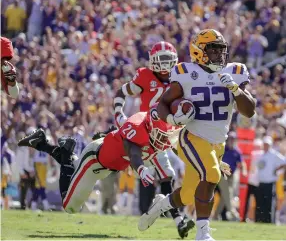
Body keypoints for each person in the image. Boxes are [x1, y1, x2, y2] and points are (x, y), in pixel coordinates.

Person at [138, 29, 256, 241]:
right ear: (199, 51)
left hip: (217, 143)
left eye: (221, 50)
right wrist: (172, 120)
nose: (219, 55)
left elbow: (249, 111)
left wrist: (236, 90)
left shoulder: (235, 71)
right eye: (213, 50)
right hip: (191, 136)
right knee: (211, 176)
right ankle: (203, 233)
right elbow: (163, 103)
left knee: (188, 194)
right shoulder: (185, 71)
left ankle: (159, 206)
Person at [17, 104, 181, 215]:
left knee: (75, 168)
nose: (164, 140)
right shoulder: (138, 128)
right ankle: (66, 154)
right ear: (151, 128)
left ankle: (41, 143)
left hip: (106, 166)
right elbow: (134, 153)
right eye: (161, 135)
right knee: (70, 207)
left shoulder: (154, 132)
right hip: (94, 161)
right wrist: (141, 169)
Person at [114, 41, 194, 238]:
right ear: (153, 61)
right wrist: (119, 115)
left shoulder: (179, 78)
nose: (166, 64)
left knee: (170, 175)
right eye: (162, 59)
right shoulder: (144, 75)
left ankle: (167, 213)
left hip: (168, 133)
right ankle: (177, 220)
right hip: (147, 132)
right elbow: (122, 92)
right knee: (167, 175)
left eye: (169, 59)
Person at [255, 136, 286, 223]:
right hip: (261, 182)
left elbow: (284, 162)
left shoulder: (273, 154)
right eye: (264, 144)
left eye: (267, 144)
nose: (265, 146)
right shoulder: (261, 154)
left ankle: (269, 221)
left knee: (269, 203)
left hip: (270, 183)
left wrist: (276, 169)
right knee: (261, 202)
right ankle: (260, 220)